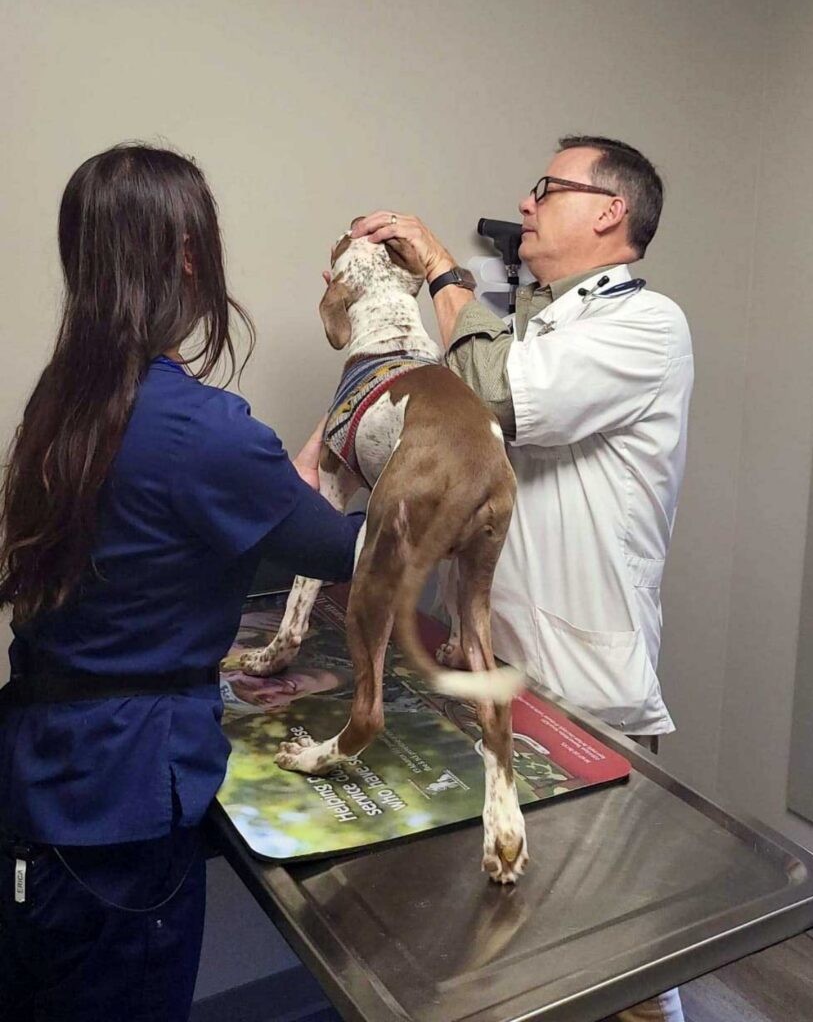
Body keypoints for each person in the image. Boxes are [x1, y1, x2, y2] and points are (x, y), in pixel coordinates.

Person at [0, 144, 363, 1021]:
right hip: (120, 807)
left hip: (41, 773)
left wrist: (295, 463)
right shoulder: (209, 429)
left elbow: (184, 523)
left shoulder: (69, 396)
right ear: (190, 256)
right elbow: (351, 553)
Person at [351, 134, 693, 1022]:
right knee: (509, 946)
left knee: (614, 963)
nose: (528, 203)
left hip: (586, 693)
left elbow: (492, 388)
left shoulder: (646, 327)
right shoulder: (539, 320)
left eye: (549, 188)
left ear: (611, 211)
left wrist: (436, 269)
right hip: (494, 677)